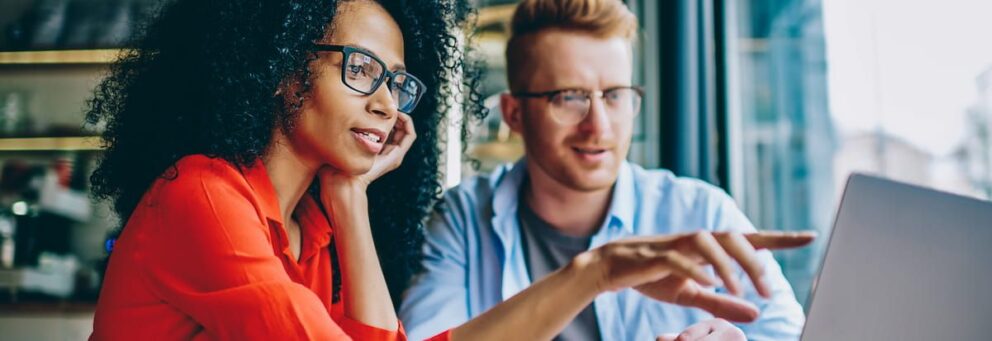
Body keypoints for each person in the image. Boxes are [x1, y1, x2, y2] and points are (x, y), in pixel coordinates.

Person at [400, 0, 813, 340]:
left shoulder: (701, 212)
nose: (598, 125)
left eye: (615, 95)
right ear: (514, 114)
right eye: (569, 97)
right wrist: (593, 273)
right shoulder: (464, 219)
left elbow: (791, 334)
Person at [87, 0, 481, 339]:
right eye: (360, 68)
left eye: (396, 83)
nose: (387, 105)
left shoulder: (312, 235)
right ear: (286, 73)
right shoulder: (202, 194)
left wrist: (350, 198)